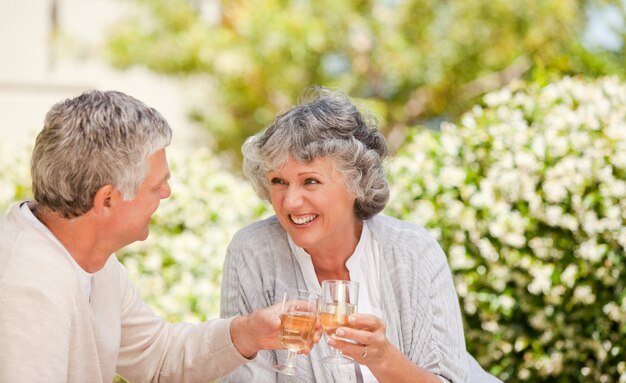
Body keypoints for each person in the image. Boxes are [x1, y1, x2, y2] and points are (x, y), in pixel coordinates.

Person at [0, 90, 296, 382]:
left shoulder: (91, 258)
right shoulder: (26, 288)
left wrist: (249, 332)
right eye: (156, 186)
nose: (166, 194)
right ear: (107, 200)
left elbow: (156, 356)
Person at [220, 86, 503, 382]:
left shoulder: (413, 252)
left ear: (356, 183)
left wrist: (384, 360)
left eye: (311, 181)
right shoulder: (253, 252)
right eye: (278, 181)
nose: (290, 202)